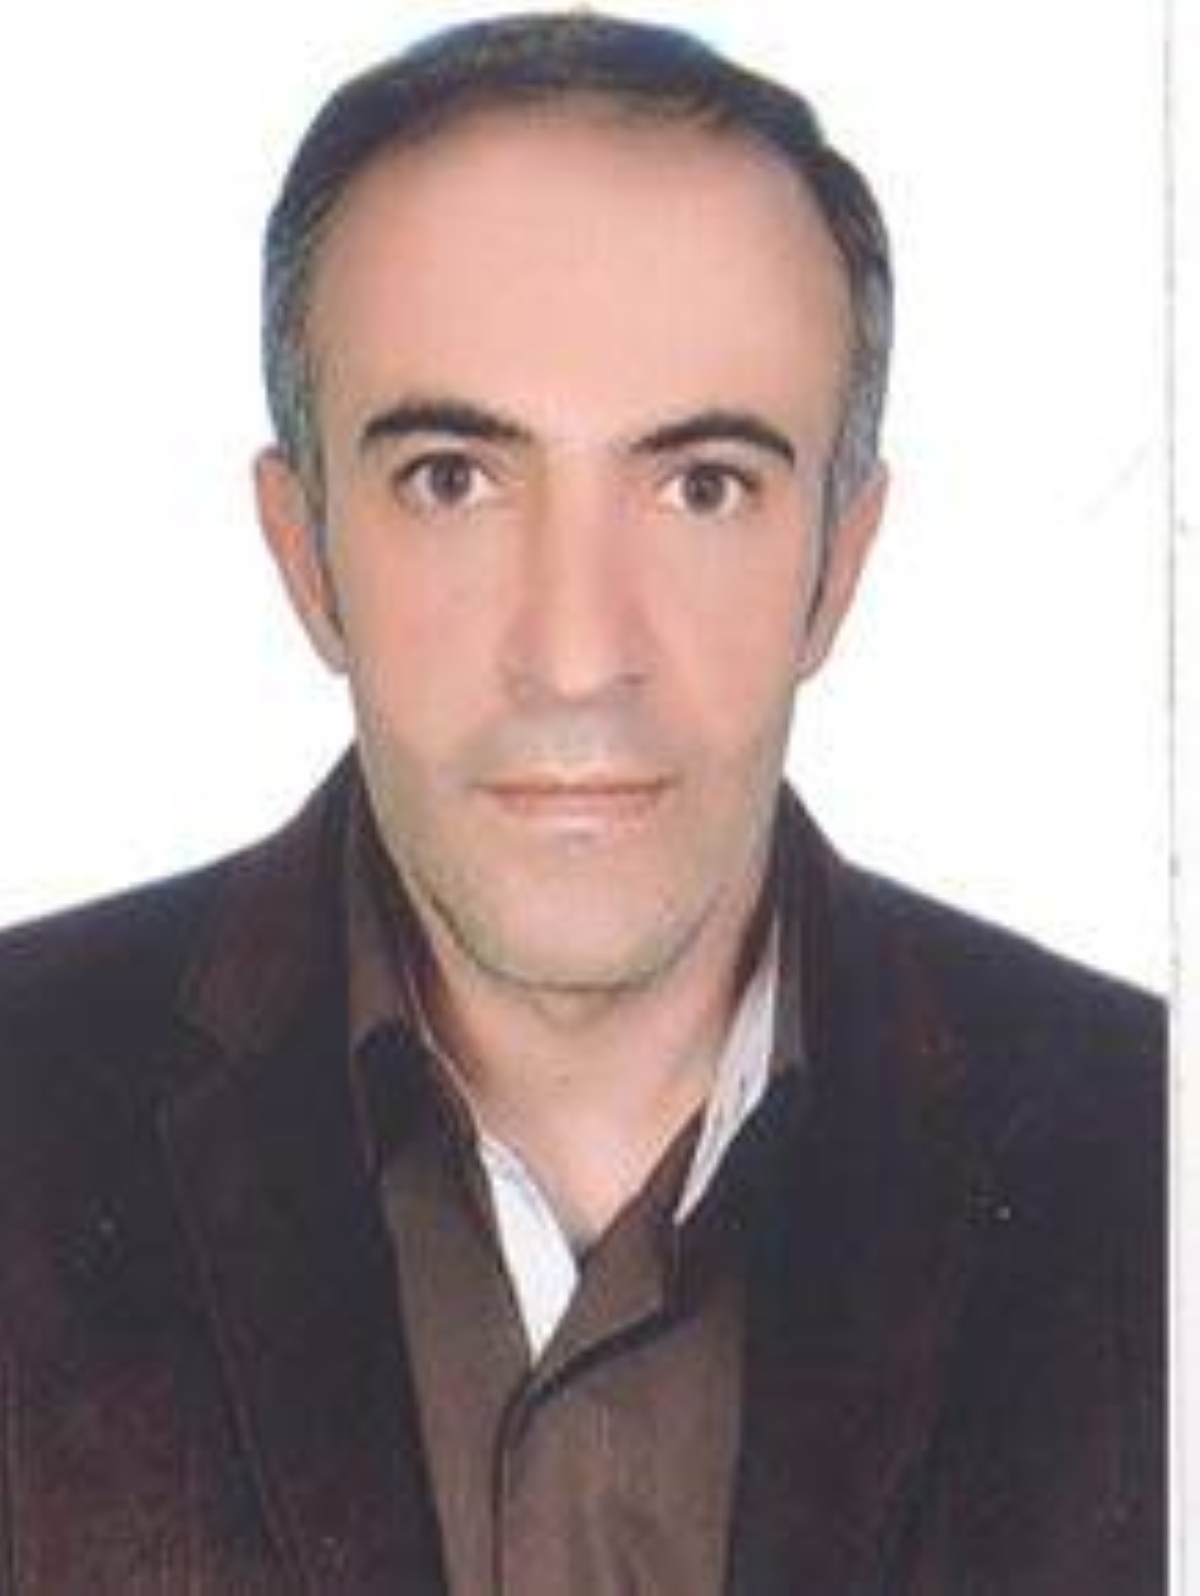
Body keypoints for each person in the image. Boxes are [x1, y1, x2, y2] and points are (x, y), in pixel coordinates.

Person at [0, 12, 1164, 1593]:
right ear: (303, 550)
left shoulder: (1144, 1149)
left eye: (703, 486)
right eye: (452, 479)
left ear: (838, 566)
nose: (574, 655)